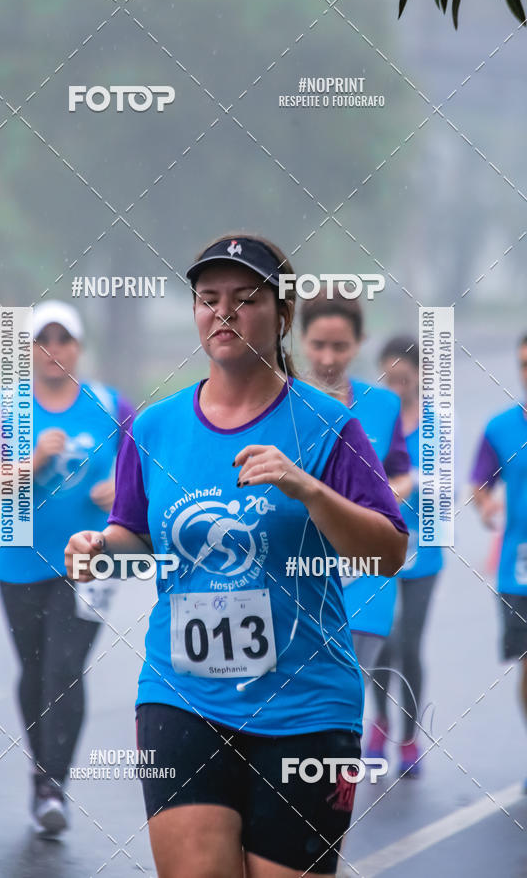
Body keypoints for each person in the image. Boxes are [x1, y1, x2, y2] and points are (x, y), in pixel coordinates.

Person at [65, 234, 408, 878]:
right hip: (182, 695)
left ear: (281, 315)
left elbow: (389, 551)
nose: (223, 312)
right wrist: (100, 546)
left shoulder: (328, 424)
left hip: (306, 705)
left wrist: (307, 488)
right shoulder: (155, 426)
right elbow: (134, 531)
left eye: (245, 299)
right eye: (208, 298)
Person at [0, 300, 135, 835]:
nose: (54, 350)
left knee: (64, 668)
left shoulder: (110, 404)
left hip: (90, 560)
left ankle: (51, 787)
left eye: (65, 339)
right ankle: (42, 774)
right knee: (34, 670)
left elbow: (149, 470)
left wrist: (122, 488)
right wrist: (33, 461)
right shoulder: (9, 405)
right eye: (43, 340)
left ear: (79, 347)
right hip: (20, 556)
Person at [300, 293, 413, 676]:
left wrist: (382, 497)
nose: (328, 358)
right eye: (318, 345)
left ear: (360, 343)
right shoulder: (279, 403)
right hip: (298, 577)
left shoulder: (384, 405)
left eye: (340, 346)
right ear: (301, 340)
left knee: (348, 691)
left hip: (365, 579)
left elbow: (400, 471)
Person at [366, 336, 443, 778]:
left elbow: (450, 488)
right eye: (388, 379)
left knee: (410, 645)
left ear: (420, 379)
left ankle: (410, 737)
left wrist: (411, 482)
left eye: (403, 380)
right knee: (382, 642)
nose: (395, 388)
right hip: (378, 550)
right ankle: (378, 724)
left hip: (422, 556)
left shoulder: (435, 426)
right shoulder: (371, 422)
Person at [470, 332, 527, 794]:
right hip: (518, 570)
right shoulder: (500, 428)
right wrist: (485, 503)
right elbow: (478, 481)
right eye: (525, 364)